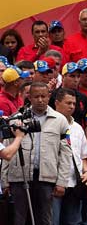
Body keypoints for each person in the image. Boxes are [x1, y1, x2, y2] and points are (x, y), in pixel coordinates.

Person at [1, 82, 72, 225]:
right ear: (29, 97)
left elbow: (65, 153)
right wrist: (4, 179)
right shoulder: (16, 119)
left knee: (45, 219)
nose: (40, 100)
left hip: (47, 177)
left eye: (43, 96)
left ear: (49, 96)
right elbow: (7, 149)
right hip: (19, 176)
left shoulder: (60, 120)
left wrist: (62, 181)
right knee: (19, 219)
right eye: (36, 96)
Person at [51, 88, 87, 225]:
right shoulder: (48, 125)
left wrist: (86, 172)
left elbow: (83, 155)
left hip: (74, 183)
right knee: (53, 221)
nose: (72, 107)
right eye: (68, 103)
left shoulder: (78, 128)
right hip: (54, 182)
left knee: (74, 222)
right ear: (57, 103)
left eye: (74, 104)